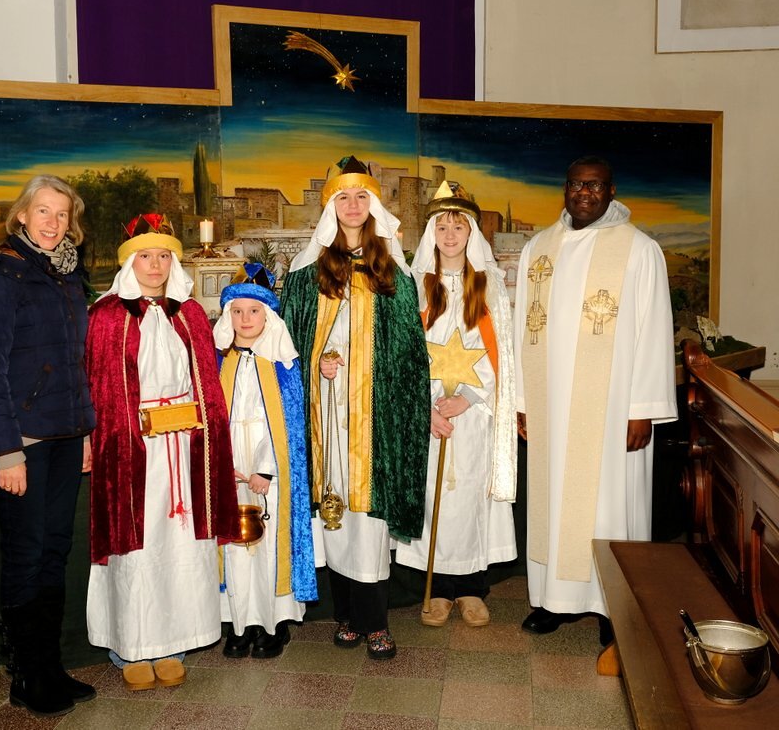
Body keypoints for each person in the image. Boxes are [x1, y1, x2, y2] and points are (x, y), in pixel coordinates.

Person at [514, 156, 677, 643]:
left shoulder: (639, 250)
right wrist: (523, 400)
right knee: (552, 502)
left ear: (611, 190)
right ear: (565, 189)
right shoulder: (538, 249)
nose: (584, 192)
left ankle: (614, 605)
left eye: (595, 185)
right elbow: (523, 328)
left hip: (612, 408)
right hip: (550, 405)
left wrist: (643, 409)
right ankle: (554, 600)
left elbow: (654, 332)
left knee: (609, 505)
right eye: (576, 184)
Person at [280, 155, 430, 660]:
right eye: (342, 197)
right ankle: (345, 615)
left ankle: (375, 622)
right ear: (330, 207)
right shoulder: (307, 274)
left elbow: (409, 355)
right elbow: (289, 349)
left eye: (361, 196)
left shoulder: (393, 273)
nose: (351, 205)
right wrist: (317, 361)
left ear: (373, 205)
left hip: (374, 419)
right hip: (326, 417)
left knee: (368, 523)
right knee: (334, 515)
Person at [85, 213, 240, 690]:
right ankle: (131, 646)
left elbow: (207, 385)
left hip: (184, 446)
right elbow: (100, 389)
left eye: (164, 256)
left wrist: (203, 430)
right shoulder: (107, 316)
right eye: (145, 256)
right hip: (133, 449)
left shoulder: (189, 314)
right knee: (137, 546)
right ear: (129, 263)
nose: (155, 265)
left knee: (180, 546)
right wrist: (114, 434)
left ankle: (175, 643)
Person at [0, 174, 96, 718]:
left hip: (66, 437)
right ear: (22, 215)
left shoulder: (67, 275)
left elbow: (77, 362)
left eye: (62, 214)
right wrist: (6, 451)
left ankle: (49, 666)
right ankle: (25, 674)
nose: (53, 222)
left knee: (54, 549)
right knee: (26, 554)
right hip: (23, 442)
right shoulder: (1, 278)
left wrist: (85, 432)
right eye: (43, 211)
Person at [395, 182, 517, 627]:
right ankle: (440, 589)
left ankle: (471, 588)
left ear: (471, 233)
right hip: (428, 414)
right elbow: (405, 353)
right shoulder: (415, 287)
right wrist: (426, 407)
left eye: (458, 227)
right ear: (431, 232)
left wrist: (466, 399)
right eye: (442, 227)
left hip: (473, 412)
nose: (450, 235)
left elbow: (500, 352)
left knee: (469, 497)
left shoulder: (487, 285)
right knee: (435, 497)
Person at [214, 262, 317, 659]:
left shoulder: (282, 365)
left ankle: (273, 623)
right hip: (230, 471)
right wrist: (221, 464)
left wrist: (265, 469)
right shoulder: (220, 362)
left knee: (268, 544)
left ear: (268, 315)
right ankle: (241, 623)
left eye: (254, 311)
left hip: (266, 475)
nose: (245, 319)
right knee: (236, 546)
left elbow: (289, 428)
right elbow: (212, 418)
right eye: (237, 311)